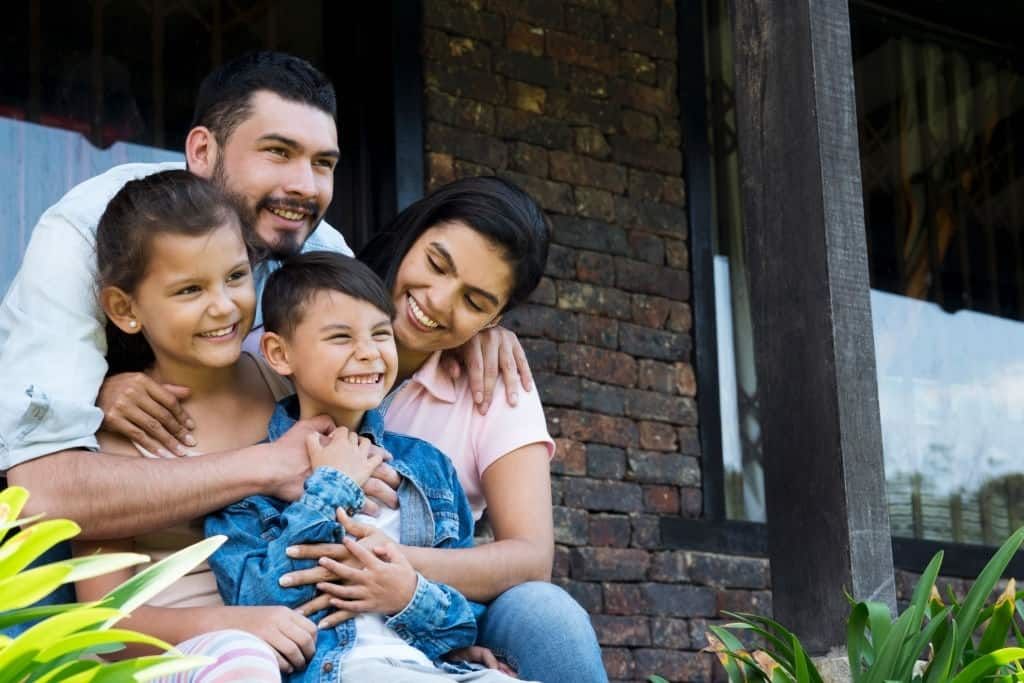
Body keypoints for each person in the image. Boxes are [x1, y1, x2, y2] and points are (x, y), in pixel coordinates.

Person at [282, 177, 608, 682]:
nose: (437, 301)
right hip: (299, 606)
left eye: (475, 303)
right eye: (437, 263)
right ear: (414, 233)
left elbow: (530, 557)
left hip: (433, 609)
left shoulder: (494, 385)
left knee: (548, 614)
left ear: (496, 317)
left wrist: (393, 569)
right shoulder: (308, 321)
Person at [206, 251, 529, 682]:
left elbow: (462, 623)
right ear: (279, 354)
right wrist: (332, 488)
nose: (369, 353)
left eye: (381, 334)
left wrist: (407, 594)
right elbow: (256, 603)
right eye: (341, 338)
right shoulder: (247, 482)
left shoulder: (429, 469)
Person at [75, 170, 302, 679]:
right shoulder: (115, 434)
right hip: (180, 660)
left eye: (236, 277)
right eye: (189, 289)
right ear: (125, 309)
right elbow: (106, 625)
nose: (223, 305)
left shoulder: (288, 382)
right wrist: (244, 626)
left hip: (306, 637)